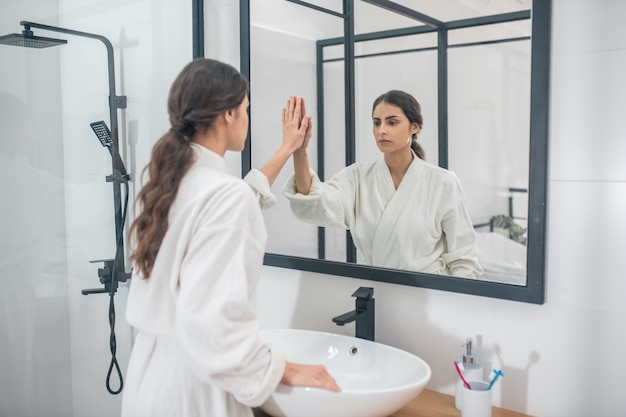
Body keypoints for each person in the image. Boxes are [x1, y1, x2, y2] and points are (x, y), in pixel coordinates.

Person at [121, 58, 340, 417]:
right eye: (246, 109)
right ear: (228, 115)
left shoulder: (165, 186)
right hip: (193, 390)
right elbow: (213, 319)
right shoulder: (221, 195)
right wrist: (284, 368)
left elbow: (237, 199)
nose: (247, 119)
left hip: (149, 380)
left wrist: (289, 149)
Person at [283, 90, 483, 278]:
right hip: (375, 293)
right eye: (377, 123)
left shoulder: (443, 183)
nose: (382, 131)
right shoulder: (357, 177)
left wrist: (451, 304)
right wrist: (299, 152)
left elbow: (464, 259)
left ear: (414, 127)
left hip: (428, 297)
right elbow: (315, 202)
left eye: (392, 122)